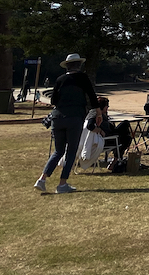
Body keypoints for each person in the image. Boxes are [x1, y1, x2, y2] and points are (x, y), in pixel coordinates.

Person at [35, 53, 101, 194]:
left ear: (67, 66)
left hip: (58, 117)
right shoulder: (82, 78)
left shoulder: (60, 79)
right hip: (74, 117)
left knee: (58, 151)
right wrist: (99, 113)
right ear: (79, 65)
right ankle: (62, 184)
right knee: (71, 151)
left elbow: (53, 100)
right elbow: (91, 95)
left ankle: (42, 179)